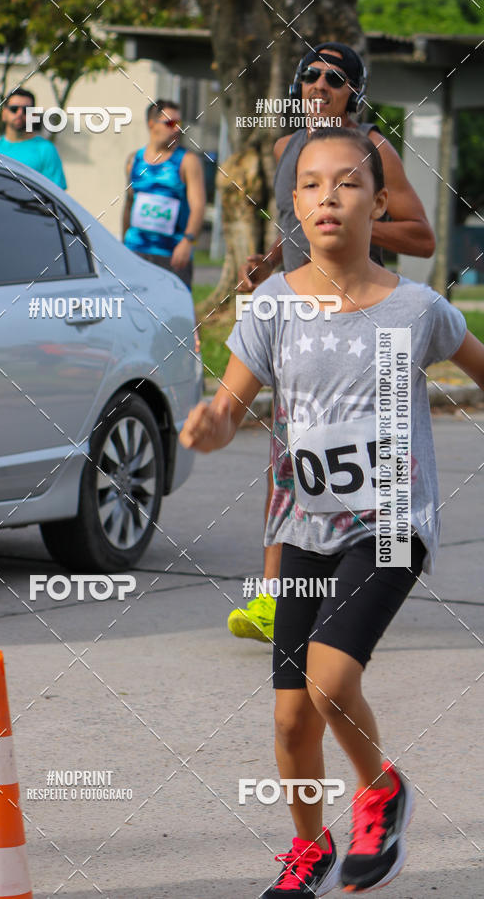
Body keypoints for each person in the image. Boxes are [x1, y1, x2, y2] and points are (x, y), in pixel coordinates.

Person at [180, 127, 484, 895]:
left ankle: (380, 790)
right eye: (312, 185)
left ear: (379, 204)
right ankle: (310, 848)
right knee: (290, 721)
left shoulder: (419, 309)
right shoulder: (274, 305)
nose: (328, 198)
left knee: (328, 681)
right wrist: (213, 424)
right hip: (303, 526)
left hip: (389, 525)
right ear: (293, 204)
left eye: (348, 183)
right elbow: (229, 403)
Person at [228, 42, 436, 644]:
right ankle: (276, 599)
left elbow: (421, 236)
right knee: (288, 461)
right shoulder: (283, 148)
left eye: (336, 78)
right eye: (311, 75)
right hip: (299, 319)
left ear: (353, 92)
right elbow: (298, 223)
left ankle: (370, 577)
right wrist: (268, 262)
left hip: (361, 321)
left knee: (367, 460)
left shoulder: (374, 147)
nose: (320, 84)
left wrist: (359, 220)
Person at [122, 99, 206, 289]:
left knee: (173, 314)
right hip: (136, 250)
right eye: (170, 123)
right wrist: (123, 243)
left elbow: (198, 206)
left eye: (179, 124)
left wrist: (188, 241)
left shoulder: (187, 160)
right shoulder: (134, 160)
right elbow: (129, 203)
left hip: (172, 254)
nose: (177, 129)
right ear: (151, 124)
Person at [0, 88, 67, 189]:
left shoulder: (46, 150)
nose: (20, 114)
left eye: (26, 110)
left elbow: (56, 194)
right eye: (14, 109)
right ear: (4, 114)